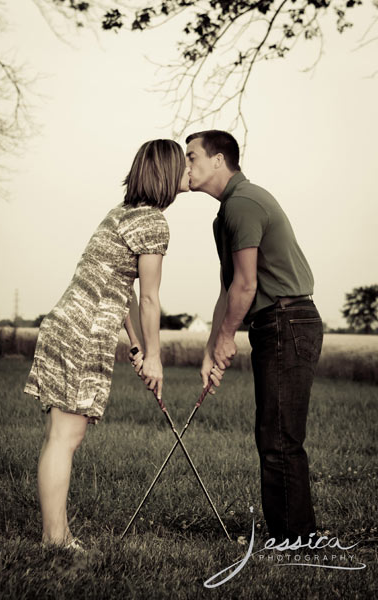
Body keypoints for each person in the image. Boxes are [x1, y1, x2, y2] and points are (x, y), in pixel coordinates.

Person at [24, 139, 190, 550]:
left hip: (66, 326)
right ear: (166, 173)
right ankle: (56, 540)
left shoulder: (122, 214)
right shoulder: (152, 222)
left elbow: (124, 290)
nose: (189, 171)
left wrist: (136, 344)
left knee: (59, 436)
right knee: (66, 437)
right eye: (183, 165)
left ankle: (55, 535)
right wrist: (155, 358)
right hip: (82, 334)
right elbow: (149, 298)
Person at [185, 130, 323, 544]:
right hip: (274, 322)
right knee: (272, 432)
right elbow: (229, 289)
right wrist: (212, 346)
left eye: (191, 157)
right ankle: (292, 533)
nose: (185, 166)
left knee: (279, 435)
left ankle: (295, 539)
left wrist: (229, 338)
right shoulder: (225, 213)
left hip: (287, 320)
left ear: (218, 161)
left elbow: (247, 286)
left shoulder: (242, 204)